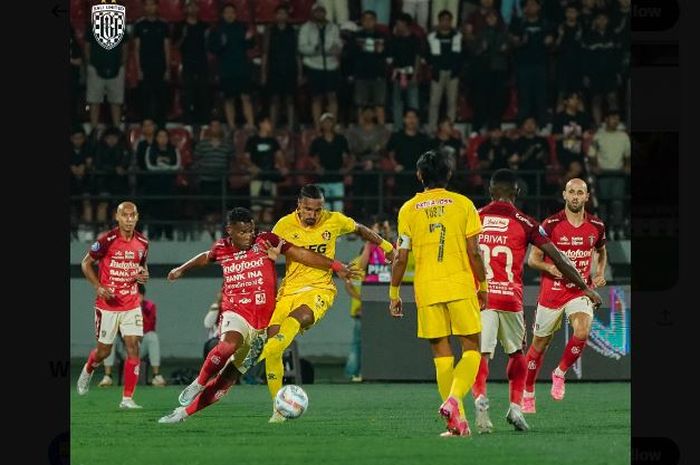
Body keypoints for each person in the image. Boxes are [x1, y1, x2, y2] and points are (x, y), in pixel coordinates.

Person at [158, 207, 357, 423]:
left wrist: (335, 265)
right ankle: (198, 382)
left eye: (250, 230)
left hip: (262, 324)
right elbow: (206, 257)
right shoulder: (222, 248)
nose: (248, 236)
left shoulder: (266, 241)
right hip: (236, 312)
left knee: (227, 379)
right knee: (227, 345)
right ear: (230, 231)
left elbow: (301, 253)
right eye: (242, 232)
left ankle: (182, 414)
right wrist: (181, 269)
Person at [471, 169, 602, 433]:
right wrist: (584, 286)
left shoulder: (474, 217)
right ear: (517, 192)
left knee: (481, 354)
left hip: (482, 296)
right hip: (511, 299)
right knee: (517, 354)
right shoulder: (527, 222)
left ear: (490, 191)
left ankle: (480, 400)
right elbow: (559, 259)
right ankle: (516, 408)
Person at [256, 185, 397, 423]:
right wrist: (271, 259)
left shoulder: (334, 220)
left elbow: (361, 229)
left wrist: (387, 246)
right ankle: (278, 410)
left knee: (302, 316)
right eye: (308, 209)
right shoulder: (283, 226)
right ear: (299, 205)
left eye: (317, 209)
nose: (312, 214)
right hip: (289, 290)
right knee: (274, 350)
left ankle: (272, 344)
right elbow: (271, 254)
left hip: (320, 289)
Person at [388, 149, 487, 437]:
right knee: (472, 350)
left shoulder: (408, 209)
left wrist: (394, 292)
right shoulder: (464, 204)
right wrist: (483, 286)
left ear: (419, 175)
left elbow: (401, 256)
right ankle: (454, 401)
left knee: (441, 356)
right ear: (449, 174)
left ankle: (459, 424)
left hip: (427, 289)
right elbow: (475, 252)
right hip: (459, 284)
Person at [523, 178, 607, 413]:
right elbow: (532, 259)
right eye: (571, 192)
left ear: (587, 197)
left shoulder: (597, 226)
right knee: (539, 345)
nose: (575, 196)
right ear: (564, 195)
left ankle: (559, 373)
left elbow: (601, 250)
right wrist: (551, 268)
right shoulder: (550, 225)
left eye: (580, 192)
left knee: (583, 329)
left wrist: (599, 272)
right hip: (552, 293)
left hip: (580, 291)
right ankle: (528, 391)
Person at [76, 202, 150, 409]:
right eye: (124, 215)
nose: (128, 219)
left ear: (137, 217)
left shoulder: (143, 242)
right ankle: (89, 369)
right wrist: (98, 286)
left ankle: (127, 399)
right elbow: (85, 263)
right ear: (117, 217)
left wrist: (144, 274)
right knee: (104, 352)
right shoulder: (107, 240)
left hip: (131, 303)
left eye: (132, 215)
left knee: (133, 346)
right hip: (107, 305)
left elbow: (142, 266)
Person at [99, 284, 167, 387]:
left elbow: (149, 327)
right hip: (124, 347)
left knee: (152, 336)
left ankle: (156, 376)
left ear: (142, 296)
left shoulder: (149, 306)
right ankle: (108, 376)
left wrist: (138, 311)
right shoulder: (120, 306)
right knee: (110, 336)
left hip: (140, 347)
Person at [208, 3, 256, 130]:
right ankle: (231, 125)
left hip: (242, 67)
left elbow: (250, 46)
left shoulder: (242, 27)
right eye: (227, 12)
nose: (230, 15)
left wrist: (250, 38)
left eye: (232, 12)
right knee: (229, 99)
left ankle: (250, 124)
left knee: (246, 97)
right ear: (223, 14)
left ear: (236, 14)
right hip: (226, 69)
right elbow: (212, 48)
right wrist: (221, 44)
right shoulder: (217, 29)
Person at [587, 110, 631, 239]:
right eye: (613, 118)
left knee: (618, 202)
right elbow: (592, 154)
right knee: (603, 203)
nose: (615, 121)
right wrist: (595, 167)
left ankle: (617, 228)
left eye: (617, 119)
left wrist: (627, 166)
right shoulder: (599, 136)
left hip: (619, 175)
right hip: (603, 175)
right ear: (606, 119)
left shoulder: (623, 136)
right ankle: (603, 229)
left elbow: (627, 155)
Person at [299, 4, 343, 126]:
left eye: (321, 11)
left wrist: (334, 49)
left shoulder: (333, 27)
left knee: (332, 96)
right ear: (313, 13)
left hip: (331, 66)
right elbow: (302, 48)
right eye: (317, 12)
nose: (319, 14)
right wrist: (315, 49)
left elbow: (338, 44)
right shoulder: (306, 28)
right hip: (314, 66)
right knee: (316, 97)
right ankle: (318, 127)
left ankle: (332, 125)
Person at [85, 13, 128, 129]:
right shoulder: (93, 27)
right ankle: (94, 129)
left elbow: (125, 47)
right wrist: (91, 63)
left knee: (116, 101)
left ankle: (116, 128)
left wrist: (122, 63)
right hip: (95, 67)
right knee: (94, 101)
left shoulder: (120, 27)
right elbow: (87, 46)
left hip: (116, 68)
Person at [262, 4, 301, 129]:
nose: (281, 16)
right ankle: (273, 127)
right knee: (274, 99)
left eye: (284, 13)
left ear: (287, 16)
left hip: (290, 68)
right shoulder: (270, 31)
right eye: (279, 13)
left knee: (290, 100)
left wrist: (300, 73)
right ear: (275, 15)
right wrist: (263, 72)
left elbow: (297, 54)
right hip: (274, 69)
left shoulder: (293, 32)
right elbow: (265, 53)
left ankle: (290, 127)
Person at [244, 115, 289, 224]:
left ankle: (265, 239)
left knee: (268, 211)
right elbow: (245, 158)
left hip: (270, 177)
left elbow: (279, 156)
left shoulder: (273, 141)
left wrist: (282, 166)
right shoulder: (252, 140)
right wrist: (253, 167)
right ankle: (255, 238)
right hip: (257, 178)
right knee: (256, 210)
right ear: (261, 124)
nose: (270, 125)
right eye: (268, 122)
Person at [134, 0, 171, 127]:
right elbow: (137, 49)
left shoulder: (163, 25)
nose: (150, 7)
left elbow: (167, 48)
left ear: (157, 6)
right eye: (147, 4)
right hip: (145, 67)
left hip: (160, 67)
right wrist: (138, 69)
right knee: (145, 98)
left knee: (161, 98)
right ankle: (144, 125)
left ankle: (161, 127)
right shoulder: (139, 25)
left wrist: (167, 69)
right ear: (144, 7)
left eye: (152, 4)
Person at [174, 0, 211, 125]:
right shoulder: (180, 26)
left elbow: (209, 45)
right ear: (185, 9)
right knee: (188, 95)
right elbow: (175, 45)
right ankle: (188, 123)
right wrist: (183, 36)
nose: (192, 9)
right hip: (187, 64)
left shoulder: (204, 26)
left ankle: (204, 123)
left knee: (203, 94)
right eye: (189, 6)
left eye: (195, 6)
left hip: (202, 64)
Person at [309, 113, 354, 212]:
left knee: (338, 208)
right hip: (323, 179)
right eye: (325, 122)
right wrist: (318, 167)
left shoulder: (340, 139)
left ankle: (338, 228)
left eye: (329, 121)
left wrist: (347, 169)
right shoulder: (317, 141)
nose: (327, 124)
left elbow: (350, 156)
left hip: (337, 178)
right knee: (326, 209)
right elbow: (310, 157)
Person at [426, 10, 463, 132]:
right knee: (434, 103)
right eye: (443, 20)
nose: (446, 22)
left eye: (448, 20)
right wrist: (432, 68)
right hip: (438, 73)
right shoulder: (431, 37)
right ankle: (432, 129)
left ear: (451, 22)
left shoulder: (458, 37)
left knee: (452, 103)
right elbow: (427, 56)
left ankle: (450, 130)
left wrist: (457, 70)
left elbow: (462, 55)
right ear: (439, 21)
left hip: (453, 74)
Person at [349, 10, 388, 124]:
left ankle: (382, 132)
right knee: (360, 106)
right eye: (365, 19)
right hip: (361, 76)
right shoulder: (356, 36)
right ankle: (361, 133)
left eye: (371, 19)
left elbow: (389, 54)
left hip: (378, 75)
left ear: (375, 21)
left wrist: (382, 51)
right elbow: (350, 55)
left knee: (380, 105)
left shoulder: (382, 36)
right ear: (361, 21)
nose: (368, 22)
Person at [387, 13, 421, 130]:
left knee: (413, 103)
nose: (397, 26)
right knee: (397, 103)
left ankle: (414, 128)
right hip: (397, 74)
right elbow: (390, 58)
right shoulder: (394, 39)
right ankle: (398, 128)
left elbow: (417, 58)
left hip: (411, 74)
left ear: (406, 25)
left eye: (399, 24)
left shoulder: (415, 39)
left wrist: (415, 75)